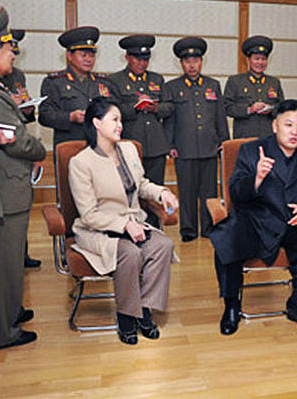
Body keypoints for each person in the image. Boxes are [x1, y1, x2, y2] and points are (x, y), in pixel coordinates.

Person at [208, 99, 297, 335]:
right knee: (227, 237)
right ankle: (231, 306)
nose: (294, 132)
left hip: (293, 222)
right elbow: (236, 192)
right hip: (256, 220)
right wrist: (256, 178)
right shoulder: (251, 150)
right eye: (288, 125)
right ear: (275, 126)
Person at [68, 97, 179, 345]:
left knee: (163, 246)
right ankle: (126, 315)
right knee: (130, 254)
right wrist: (123, 226)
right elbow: (89, 214)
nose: (120, 125)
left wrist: (161, 192)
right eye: (114, 120)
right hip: (99, 229)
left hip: (134, 222)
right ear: (96, 123)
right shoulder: (81, 162)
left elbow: (140, 185)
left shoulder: (128, 150)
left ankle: (144, 310)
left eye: (120, 120)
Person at [0, 6, 46, 349]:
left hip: (6, 186)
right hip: (3, 190)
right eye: (8, 50)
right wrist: (40, 150)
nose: (13, 56)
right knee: (2, 262)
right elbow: (19, 140)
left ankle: (10, 311)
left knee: (7, 261)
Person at [163, 37, 229, 242]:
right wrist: (170, 145)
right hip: (185, 148)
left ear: (201, 62)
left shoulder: (213, 85)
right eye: (187, 61)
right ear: (181, 64)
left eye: (196, 60)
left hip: (210, 146)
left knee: (209, 191)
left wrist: (224, 142)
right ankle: (189, 230)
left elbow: (220, 115)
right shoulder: (172, 87)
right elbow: (169, 119)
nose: (192, 65)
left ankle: (209, 227)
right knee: (187, 191)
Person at [108, 34, 171, 227]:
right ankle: (130, 227)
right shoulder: (115, 80)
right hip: (129, 146)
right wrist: (134, 107)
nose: (142, 63)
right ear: (127, 57)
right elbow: (112, 111)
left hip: (156, 145)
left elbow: (169, 106)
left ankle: (154, 229)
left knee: (155, 192)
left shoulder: (157, 79)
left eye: (145, 59)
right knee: (129, 191)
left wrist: (156, 108)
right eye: (137, 58)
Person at [0, 28, 40, 267]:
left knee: (21, 204)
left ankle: (21, 253)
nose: (13, 55)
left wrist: (26, 108)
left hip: (19, 148)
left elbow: (25, 116)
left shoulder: (18, 76)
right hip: (1, 151)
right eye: (8, 50)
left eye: (14, 51)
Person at [39, 26, 116, 147]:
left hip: (99, 146)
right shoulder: (54, 82)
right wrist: (70, 117)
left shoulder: (103, 82)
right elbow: (44, 116)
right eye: (83, 55)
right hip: (70, 145)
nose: (88, 60)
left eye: (92, 55)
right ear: (69, 55)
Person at [224, 35, 284, 138]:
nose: (260, 62)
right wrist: (250, 109)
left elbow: (282, 108)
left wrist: (271, 109)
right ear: (248, 60)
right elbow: (227, 108)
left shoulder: (274, 82)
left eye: (263, 59)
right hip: (244, 137)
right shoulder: (235, 81)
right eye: (256, 59)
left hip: (269, 136)